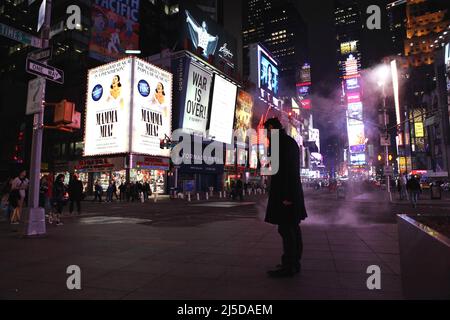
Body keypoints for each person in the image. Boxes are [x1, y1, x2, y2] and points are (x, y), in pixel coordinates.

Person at [264, 118, 308, 278]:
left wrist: (287, 196)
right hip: (291, 192)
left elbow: (285, 171)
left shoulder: (279, 142)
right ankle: (293, 262)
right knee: (292, 228)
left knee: (287, 229)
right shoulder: (288, 141)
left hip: (286, 194)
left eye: (266, 131)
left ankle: (290, 265)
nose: (266, 135)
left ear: (271, 128)